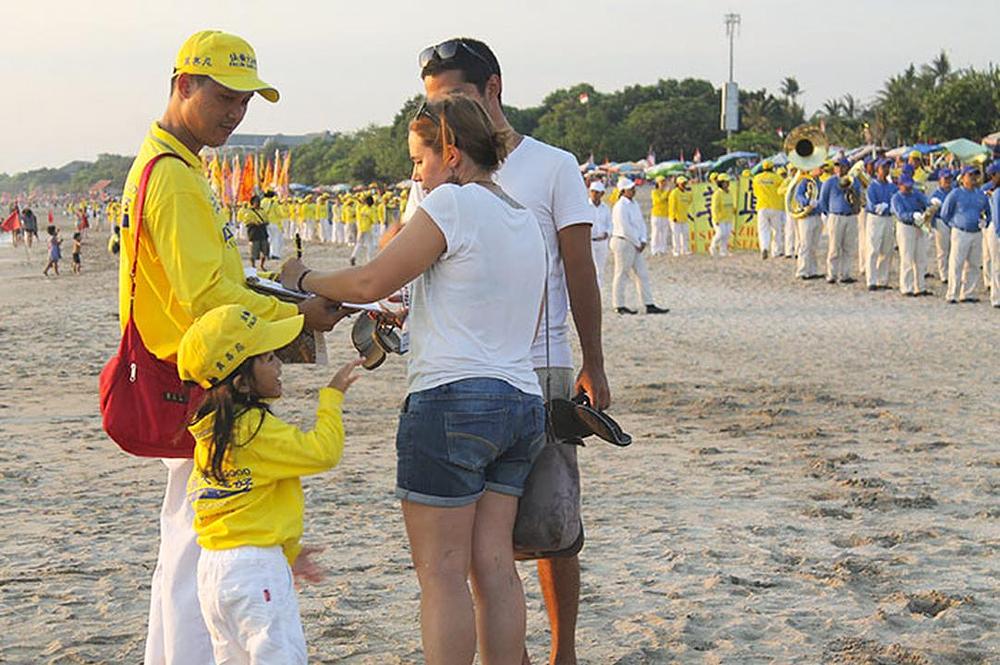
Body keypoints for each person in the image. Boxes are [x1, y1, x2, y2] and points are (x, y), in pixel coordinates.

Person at [282, 94, 548, 665]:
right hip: (520, 400)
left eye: (419, 161)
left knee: (443, 576)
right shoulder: (524, 219)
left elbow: (370, 280)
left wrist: (303, 275)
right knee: (495, 570)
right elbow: (505, 307)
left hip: (454, 401)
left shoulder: (451, 203)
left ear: (451, 154)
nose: (415, 175)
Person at [121, 30, 345, 665]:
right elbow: (207, 301)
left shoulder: (179, 166)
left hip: (192, 366)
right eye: (224, 96)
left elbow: (220, 284)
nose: (235, 113)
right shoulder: (171, 177)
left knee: (187, 542)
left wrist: (287, 305)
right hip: (199, 372)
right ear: (183, 85)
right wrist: (296, 315)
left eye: (246, 101)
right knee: (201, 548)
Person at [416, 38, 609, 665]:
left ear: (492, 89)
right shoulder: (433, 172)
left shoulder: (552, 165)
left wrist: (593, 362)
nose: (442, 115)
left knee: (554, 528)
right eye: (432, 104)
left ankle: (562, 653)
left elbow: (579, 269)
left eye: (454, 99)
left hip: (542, 363)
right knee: (480, 539)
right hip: (464, 371)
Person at [177, 305, 361, 665]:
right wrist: (332, 398)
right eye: (269, 358)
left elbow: (240, 507)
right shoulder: (255, 429)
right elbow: (323, 453)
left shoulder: (209, 432)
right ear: (242, 381)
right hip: (255, 570)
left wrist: (289, 553)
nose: (279, 366)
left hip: (213, 572)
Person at [610, 178, 669, 315]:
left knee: (642, 274)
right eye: (631, 189)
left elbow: (641, 223)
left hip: (636, 242)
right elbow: (625, 227)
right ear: (623, 190)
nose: (634, 191)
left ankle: (649, 303)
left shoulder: (634, 204)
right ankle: (618, 304)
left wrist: (643, 239)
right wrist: (637, 242)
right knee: (621, 273)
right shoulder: (620, 206)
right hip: (623, 241)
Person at [941, 166, 991, 303]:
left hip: (976, 232)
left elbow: (988, 212)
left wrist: (985, 222)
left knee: (974, 264)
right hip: (960, 232)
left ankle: (968, 293)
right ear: (963, 178)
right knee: (956, 263)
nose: (973, 178)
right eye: (970, 175)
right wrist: (954, 224)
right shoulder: (955, 194)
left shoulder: (981, 195)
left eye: (975, 175)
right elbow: (945, 213)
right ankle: (952, 293)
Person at [818, 158, 861, 284]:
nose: (839, 169)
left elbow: (858, 196)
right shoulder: (829, 182)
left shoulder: (854, 181)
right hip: (836, 216)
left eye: (842, 166)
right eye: (837, 166)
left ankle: (845, 274)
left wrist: (852, 190)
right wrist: (830, 213)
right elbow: (823, 200)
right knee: (834, 247)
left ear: (847, 168)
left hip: (851, 216)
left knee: (848, 247)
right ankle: (832, 274)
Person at [890, 174, 930, 296]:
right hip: (905, 226)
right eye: (905, 186)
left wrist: (930, 205)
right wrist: (912, 215)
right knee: (907, 257)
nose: (908, 188)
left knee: (921, 257)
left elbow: (925, 201)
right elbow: (900, 214)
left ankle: (920, 287)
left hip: (919, 225)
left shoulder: (916, 193)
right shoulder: (896, 198)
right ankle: (907, 287)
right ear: (899, 185)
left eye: (909, 186)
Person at [864, 159, 898, 291]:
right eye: (883, 167)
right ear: (877, 169)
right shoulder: (872, 186)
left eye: (887, 167)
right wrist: (883, 207)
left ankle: (882, 280)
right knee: (873, 249)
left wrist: (887, 207)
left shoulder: (892, 187)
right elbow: (872, 205)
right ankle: (871, 280)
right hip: (875, 219)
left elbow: (895, 202)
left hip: (888, 218)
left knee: (886, 250)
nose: (886, 170)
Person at [793, 168, 823, 280]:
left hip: (817, 215)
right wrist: (807, 202)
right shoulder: (804, 181)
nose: (822, 170)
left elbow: (823, 198)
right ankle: (802, 270)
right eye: (819, 168)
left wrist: (819, 205)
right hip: (806, 216)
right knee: (805, 244)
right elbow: (798, 196)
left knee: (814, 245)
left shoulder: (820, 183)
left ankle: (813, 270)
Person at [752, 160, 785, 258]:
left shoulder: (756, 178)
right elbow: (781, 191)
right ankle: (776, 251)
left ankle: (764, 248)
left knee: (763, 230)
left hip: (762, 206)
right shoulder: (778, 178)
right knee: (777, 230)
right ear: (772, 168)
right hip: (776, 206)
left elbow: (755, 192)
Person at [928, 169, 954, 282]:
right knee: (943, 250)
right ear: (940, 180)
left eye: (949, 178)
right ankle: (944, 274)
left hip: (954, 222)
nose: (948, 181)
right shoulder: (936, 194)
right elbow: (930, 211)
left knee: (954, 249)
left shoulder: (954, 192)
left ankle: (952, 272)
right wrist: (932, 225)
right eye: (945, 178)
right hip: (941, 222)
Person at [588, 181, 611, 288]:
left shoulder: (605, 208)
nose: (595, 194)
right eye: (593, 192)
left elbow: (610, 223)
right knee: (590, 268)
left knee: (600, 268)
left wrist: (607, 233)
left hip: (602, 242)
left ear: (602, 194)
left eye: (597, 192)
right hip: (590, 241)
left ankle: (598, 291)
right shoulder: (585, 206)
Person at [241, 194, 270, 270]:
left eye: (259, 201)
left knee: (265, 250)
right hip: (254, 233)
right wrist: (254, 223)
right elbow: (246, 222)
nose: (259, 203)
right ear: (253, 202)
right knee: (254, 251)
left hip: (263, 232)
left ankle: (262, 265)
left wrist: (264, 223)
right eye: (257, 201)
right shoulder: (249, 212)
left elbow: (267, 220)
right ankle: (253, 266)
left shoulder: (262, 211)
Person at [709, 173, 735, 257]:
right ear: (720, 183)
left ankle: (723, 251)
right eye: (725, 182)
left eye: (728, 182)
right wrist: (716, 219)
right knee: (720, 234)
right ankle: (712, 246)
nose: (727, 184)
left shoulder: (729, 193)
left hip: (728, 218)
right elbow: (714, 208)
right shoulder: (717, 194)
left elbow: (730, 204)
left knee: (726, 235)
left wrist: (734, 209)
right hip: (719, 218)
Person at [667, 175, 693, 256]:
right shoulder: (674, 193)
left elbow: (690, 200)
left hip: (684, 217)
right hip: (675, 218)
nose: (684, 185)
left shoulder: (686, 193)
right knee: (676, 235)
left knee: (685, 234)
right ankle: (676, 250)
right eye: (682, 183)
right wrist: (673, 216)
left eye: (685, 183)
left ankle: (684, 249)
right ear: (678, 184)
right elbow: (672, 205)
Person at [350, 194, 376, 266]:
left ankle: (353, 256)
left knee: (359, 243)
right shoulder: (371, 210)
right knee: (370, 244)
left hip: (361, 228)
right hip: (367, 228)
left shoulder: (363, 208)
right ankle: (369, 260)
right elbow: (374, 221)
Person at [649, 175, 671, 256]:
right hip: (657, 214)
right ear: (657, 183)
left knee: (664, 232)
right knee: (656, 232)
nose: (663, 184)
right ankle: (654, 249)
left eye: (664, 182)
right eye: (661, 182)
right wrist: (666, 192)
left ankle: (662, 249)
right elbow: (659, 200)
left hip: (665, 214)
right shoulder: (654, 192)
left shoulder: (667, 192)